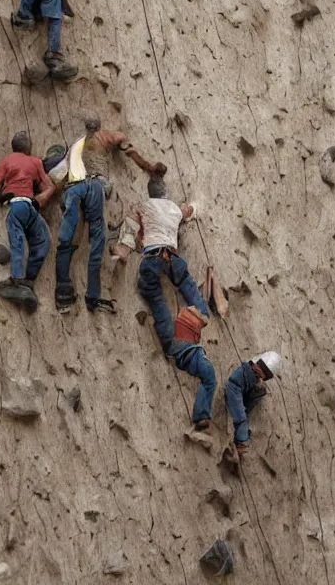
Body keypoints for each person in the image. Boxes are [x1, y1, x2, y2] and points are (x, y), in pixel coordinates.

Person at [53, 112, 165, 314]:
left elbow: (61, 175)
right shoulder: (106, 136)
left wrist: (49, 193)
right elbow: (129, 150)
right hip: (96, 185)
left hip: (74, 188)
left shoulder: (77, 145)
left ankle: (62, 291)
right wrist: (150, 167)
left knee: (67, 239)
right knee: (97, 239)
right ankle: (93, 297)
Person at [135, 174, 208, 343]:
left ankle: (169, 341)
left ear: (149, 192)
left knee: (154, 295)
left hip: (152, 257)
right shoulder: (174, 208)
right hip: (172, 256)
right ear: (165, 192)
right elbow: (188, 212)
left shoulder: (144, 206)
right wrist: (191, 207)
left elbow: (137, 228)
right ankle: (201, 312)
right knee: (186, 282)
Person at [0, 131, 55, 311]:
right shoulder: (35, 162)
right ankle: (29, 278)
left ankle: (17, 279)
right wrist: (41, 197)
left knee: (17, 241)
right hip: (31, 207)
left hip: (16, 206)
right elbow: (50, 187)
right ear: (28, 147)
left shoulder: (7, 161)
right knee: (44, 239)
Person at [157, 306, 217, 431]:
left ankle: (201, 415)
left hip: (183, 350)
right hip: (188, 350)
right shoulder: (189, 316)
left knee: (208, 375)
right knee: (209, 375)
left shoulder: (183, 318)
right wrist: (202, 312)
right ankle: (200, 415)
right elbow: (201, 320)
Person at [226, 351, 282, 458]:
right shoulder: (246, 372)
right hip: (235, 388)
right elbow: (235, 385)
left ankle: (239, 442)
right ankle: (239, 442)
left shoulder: (254, 380)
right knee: (241, 418)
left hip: (240, 391)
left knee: (244, 414)